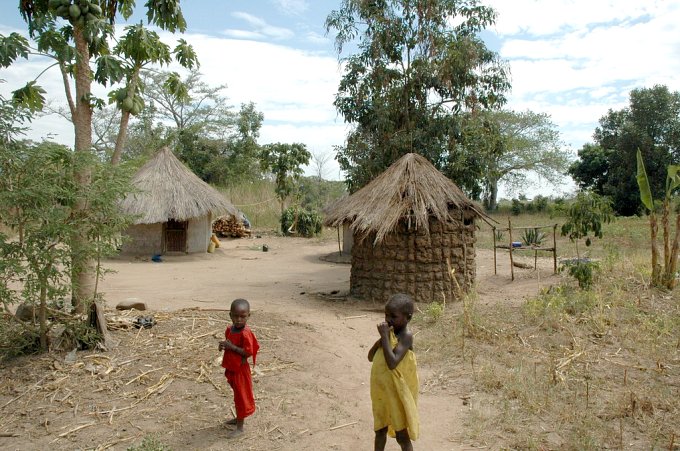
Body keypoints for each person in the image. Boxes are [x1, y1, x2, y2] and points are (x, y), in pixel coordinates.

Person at [368, 293, 419, 451]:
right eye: (386, 315)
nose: (388, 319)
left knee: (401, 434)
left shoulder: (406, 336)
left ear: (407, 318)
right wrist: (381, 340)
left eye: (393, 316)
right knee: (380, 430)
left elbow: (392, 363)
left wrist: (384, 337)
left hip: (398, 393)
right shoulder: (388, 335)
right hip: (383, 391)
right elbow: (370, 357)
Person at [218, 298, 260, 437]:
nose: (239, 320)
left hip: (241, 370)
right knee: (237, 396)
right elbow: (229, 342)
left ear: (248, 316)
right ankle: (238, 418)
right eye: (236, 316)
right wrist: (224, 345)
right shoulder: (230, 329)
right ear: (230, 315)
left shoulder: (245, 333)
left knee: (241, 397)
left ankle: (240, 428)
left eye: (243, 316)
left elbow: (248, 352)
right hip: (232, 368)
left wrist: (232, 347)